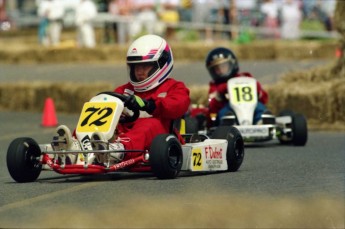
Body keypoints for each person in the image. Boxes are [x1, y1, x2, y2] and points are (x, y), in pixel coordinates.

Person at [55, 34, 190, 164]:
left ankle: (117, 151)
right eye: (136, 66)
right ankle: (74, 147)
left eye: (145, 66)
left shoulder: (174, 87)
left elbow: (179, 105)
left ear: (161, 64)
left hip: (158, 138)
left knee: (148, 125)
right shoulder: (124, 90)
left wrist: (148, 104)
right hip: (124, 131)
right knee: (97, 119)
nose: (139, 71)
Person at [205, 47, 269, 127]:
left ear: (232, 64)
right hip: (229, 108)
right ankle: (229, 124)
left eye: (223, 66)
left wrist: (257, 90)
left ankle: (261, 121)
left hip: (251, 107)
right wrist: (220, 94)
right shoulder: (215, 86)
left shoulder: (245, 78)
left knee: (260, 107)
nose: (221, 71)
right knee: (224, 112)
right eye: (217, 69)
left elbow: (265, 98)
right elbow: (212, 108)